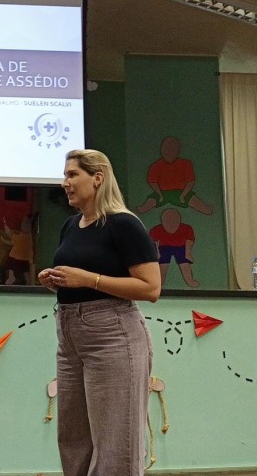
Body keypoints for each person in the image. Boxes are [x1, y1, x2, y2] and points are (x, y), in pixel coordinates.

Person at [38, 149, 161, 476]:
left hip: (112, 335)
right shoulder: (70, 226)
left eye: (72, 174)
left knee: (115, 441)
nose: (65, 183)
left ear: (98, 178)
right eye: (64, 175)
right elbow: (83, 279)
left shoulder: (124, 224)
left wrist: (87, 279)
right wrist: (58, 282)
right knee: (74, 440)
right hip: (70, 335)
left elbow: (151, 288)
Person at [136, 136, 212, 215]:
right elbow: (153, 182)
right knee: (151, 201)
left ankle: (205, 209)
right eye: (166, 149)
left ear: (178, 150)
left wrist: (183, 195)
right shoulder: (155, 166)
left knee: (193, 200)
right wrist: (159, 194)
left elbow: (191, 182)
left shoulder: (185, 164)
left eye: (173, 149)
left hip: (181, 192)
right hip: (162, 193)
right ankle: (141, 209)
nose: (169, 152)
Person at [149, 207, 200, 287]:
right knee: (163, 264)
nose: (171, 224)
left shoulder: (186, 228)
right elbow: (154, 242)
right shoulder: (156, 229)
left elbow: (190, 240)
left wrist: (188, 253)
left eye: (174, 221)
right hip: (164, 247)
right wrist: (157, 253)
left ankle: (189, 280)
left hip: (180, 247)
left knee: (184, 263)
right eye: (167, 221)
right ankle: (160, 281)